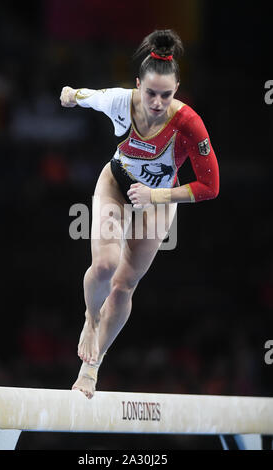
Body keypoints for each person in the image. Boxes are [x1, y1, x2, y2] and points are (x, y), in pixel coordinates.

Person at [60, 29, 219, 399]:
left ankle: (91, 367)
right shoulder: (120, 101)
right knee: (104, 266)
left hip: (158, 199)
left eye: (167, 94)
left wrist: (157, 195)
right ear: (137, 85)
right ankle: (90, 317)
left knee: (124, 284)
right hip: (116, 183)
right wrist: (70, 96)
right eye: (150, 93)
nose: (158, 102)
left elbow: (210, 187)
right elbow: (86, 96)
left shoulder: (189, 124)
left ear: (177, 88)